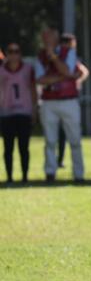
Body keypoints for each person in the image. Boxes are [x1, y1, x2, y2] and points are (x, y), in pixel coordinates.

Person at [35, 27, 84, 182]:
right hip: (49, 102)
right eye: (44, 38)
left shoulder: (67, 52)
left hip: (68, 100)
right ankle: (50, 172)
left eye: (48, 37)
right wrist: (62, 77)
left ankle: (79, 174)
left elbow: (67, 70)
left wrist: (54, 58)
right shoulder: (40, 56)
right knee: (50, 140)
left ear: (55, 38)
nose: (46, 41)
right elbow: (40, 79)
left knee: (75, 139)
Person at [0, 42, 37, 183]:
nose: (13, 54)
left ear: (20, 53)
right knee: (7, 148)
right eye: (10, 51)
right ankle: (9, 176)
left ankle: (24, 176)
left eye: (16, 51)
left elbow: (33, 89)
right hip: (6, 113)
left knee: (24, 148)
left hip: (24, 112)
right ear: (7, 54)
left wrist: (34, 109)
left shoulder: (28, 69)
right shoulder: (1, 70)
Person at [57, 33, 89, 169]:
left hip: (69, 98)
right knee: (59, 135)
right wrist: (72, 76)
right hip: (58, 99)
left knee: (66, 135)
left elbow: (84, 71)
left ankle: (63, 162)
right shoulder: (59, 54)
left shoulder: (71, 56)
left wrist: (76, 79)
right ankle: (59, 161)